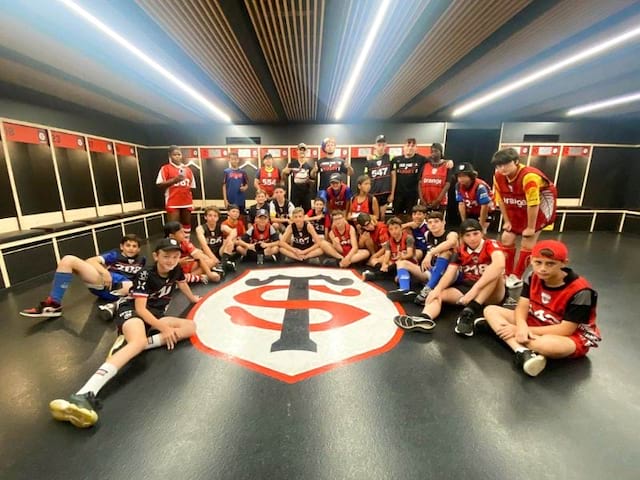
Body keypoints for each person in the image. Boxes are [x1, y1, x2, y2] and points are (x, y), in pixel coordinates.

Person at [48, 238, 200, 428]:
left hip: (156, 317)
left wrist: (193, 298)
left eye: (175, 257)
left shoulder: (176, 269)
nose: (171, 260)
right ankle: (85, 393)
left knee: (190, 327)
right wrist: (164, 329)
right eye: (166, 256)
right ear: (156, 256)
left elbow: (182, 282)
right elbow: (142, 310)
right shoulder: (145, 274)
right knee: (136, 342)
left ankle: (139, 344)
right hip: (135, 312)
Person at [483, 240, 601, 377]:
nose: (543, 268)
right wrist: (521, 326)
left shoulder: (581, 291)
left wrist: (519, 330)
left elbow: (566, 329)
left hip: (568, 335)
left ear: (564, 263)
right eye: (538, 262)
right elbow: (522, 306)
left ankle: (497, 331)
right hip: (535, 320)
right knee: (491, 310)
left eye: (550, 263)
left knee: (547, 346)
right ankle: (522, 351)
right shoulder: (532, 276)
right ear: (531, 260)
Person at [393, 219, 506, 335]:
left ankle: (470, 311)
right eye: (468, 235)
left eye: (475, 234)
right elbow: (450, 272)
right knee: (438, 294)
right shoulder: (460, 250)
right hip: (467, 286)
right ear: (463, 237)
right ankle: (424, 318)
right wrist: (436, 290)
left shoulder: (490, 244)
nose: (472, 238)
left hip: (492, 293)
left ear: (482, 233)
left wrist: (474, 291)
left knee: (495, 272)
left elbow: (499, 264)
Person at [20, 234, 145, 319]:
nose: (131, 249)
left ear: (139, 249)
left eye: (134, 246)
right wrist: (105, 272)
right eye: (128, 245)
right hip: (104, 283)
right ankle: (54, 304)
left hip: (124, 289)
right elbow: (91, 261)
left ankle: (117, 304)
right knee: (68, 260)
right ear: (122, 246)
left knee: (136, 286)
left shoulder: (141, 260)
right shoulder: (115, 255)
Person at [492, 147, 558, 289]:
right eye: (498, 165)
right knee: (506, 238)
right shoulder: (498, 176)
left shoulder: (529, 176)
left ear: (516, 161)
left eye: (505, 164)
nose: (501, 168)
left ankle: (517, 276)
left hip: (540, 205)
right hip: (517, 203)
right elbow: (501, 199)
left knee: (528, 241)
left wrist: (530, 227)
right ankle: (508, 273)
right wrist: (507, 221)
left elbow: (533, 203)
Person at [387, 211, 458, 303]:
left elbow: (451, 242)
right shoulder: (427, 234)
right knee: (401, 263)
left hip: (449, 275)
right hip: (432, 271)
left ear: (443, 222)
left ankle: (428, 288)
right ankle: (405, 290)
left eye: (436, 221)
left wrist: (430, 254)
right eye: (430, 222)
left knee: (445, 252)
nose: (433, 224)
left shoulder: (451, 234)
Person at [156, 146, 195, 237]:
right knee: (173, 226)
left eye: (179, 154)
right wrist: (174, 180)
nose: (177, 156)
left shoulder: (188, 169)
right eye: (175, 154)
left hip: (186, 201)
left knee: (186, 223)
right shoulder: (165, 168)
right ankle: (174, 245)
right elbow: (159, 184)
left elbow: (192, 186)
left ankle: (186, 244)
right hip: (172, 201)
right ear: (170, 155)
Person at [361, 217, 415, 282]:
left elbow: (410, 254)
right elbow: (387, 254)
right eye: (391, 229)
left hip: (407, 263)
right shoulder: (389, 242)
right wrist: (384, 264)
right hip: (394, 263)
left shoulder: (408, 238)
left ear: (401, 228)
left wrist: (402, 257)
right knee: (377, 262)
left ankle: (374, 275)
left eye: (396, 228)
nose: (394, 231)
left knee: (397, 269)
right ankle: (383, 273)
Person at [390, 138, 427, 218]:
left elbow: (435, 161)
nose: (410, 148)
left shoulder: (422, 159)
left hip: (412, 194)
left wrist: (447, 161)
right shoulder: (395, 160)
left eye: (412, 146)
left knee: (410, 217)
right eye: (408, 145)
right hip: (398, 194)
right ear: (404, 147)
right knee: (396, 217)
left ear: (416, 148)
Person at [455, 162, 495, 233]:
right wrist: (464, 222)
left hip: (486, 211)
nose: (461, 179)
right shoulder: (458, 186)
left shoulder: (480, 186)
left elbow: (484, 206)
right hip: (472, 209)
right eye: (459, 176)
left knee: (480, 233)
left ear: (471, 176)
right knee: (467, 231)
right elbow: (461, 204)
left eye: (464, 176)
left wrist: (481, 225)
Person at [364, 134, 394, 219]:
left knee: (382, 216)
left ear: (386, 146)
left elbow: (394, 176)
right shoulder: (369, 160)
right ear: (375, 146)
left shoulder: (390, 158)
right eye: (379, 145)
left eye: (383, 145)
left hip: (385, 192)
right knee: (373, 217)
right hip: (373, 193)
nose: (381, 147)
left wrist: (392, 193)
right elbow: (366, 178)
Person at [419, 143, 453, 213]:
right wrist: (422, 200)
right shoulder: (425, 165)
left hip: (440, 203)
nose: (433, 153)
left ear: (441, 152)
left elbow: (447, 184)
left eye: (436, 151)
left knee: (437, 222)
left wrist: (438, 201)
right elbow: (419, 183)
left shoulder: (447, 166)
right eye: (432, 151)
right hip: (425, 202)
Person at [283, 143, 317, 210]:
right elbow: (283, 178)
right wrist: (283, 172)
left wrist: (314, 172)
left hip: (306, 194)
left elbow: (312, 179)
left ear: (306, 152)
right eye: (300, 150)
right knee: (294, 212)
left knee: (307, 212)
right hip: (294, 194)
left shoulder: (309, 166)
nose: (302, 151)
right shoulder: (291, 164)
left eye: (304, 150)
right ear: (297, 151)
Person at [219, 204, 246, 269]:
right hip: (224, 250)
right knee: (230, 241)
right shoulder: (224, 224)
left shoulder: (240, 223)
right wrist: (236, 240)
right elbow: (232, 233)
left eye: (237, 212)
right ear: (228, 212)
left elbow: (244, 236)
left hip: (237, 248)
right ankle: (223, 264)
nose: (236, 214)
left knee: (242, 247)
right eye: (233, 211)